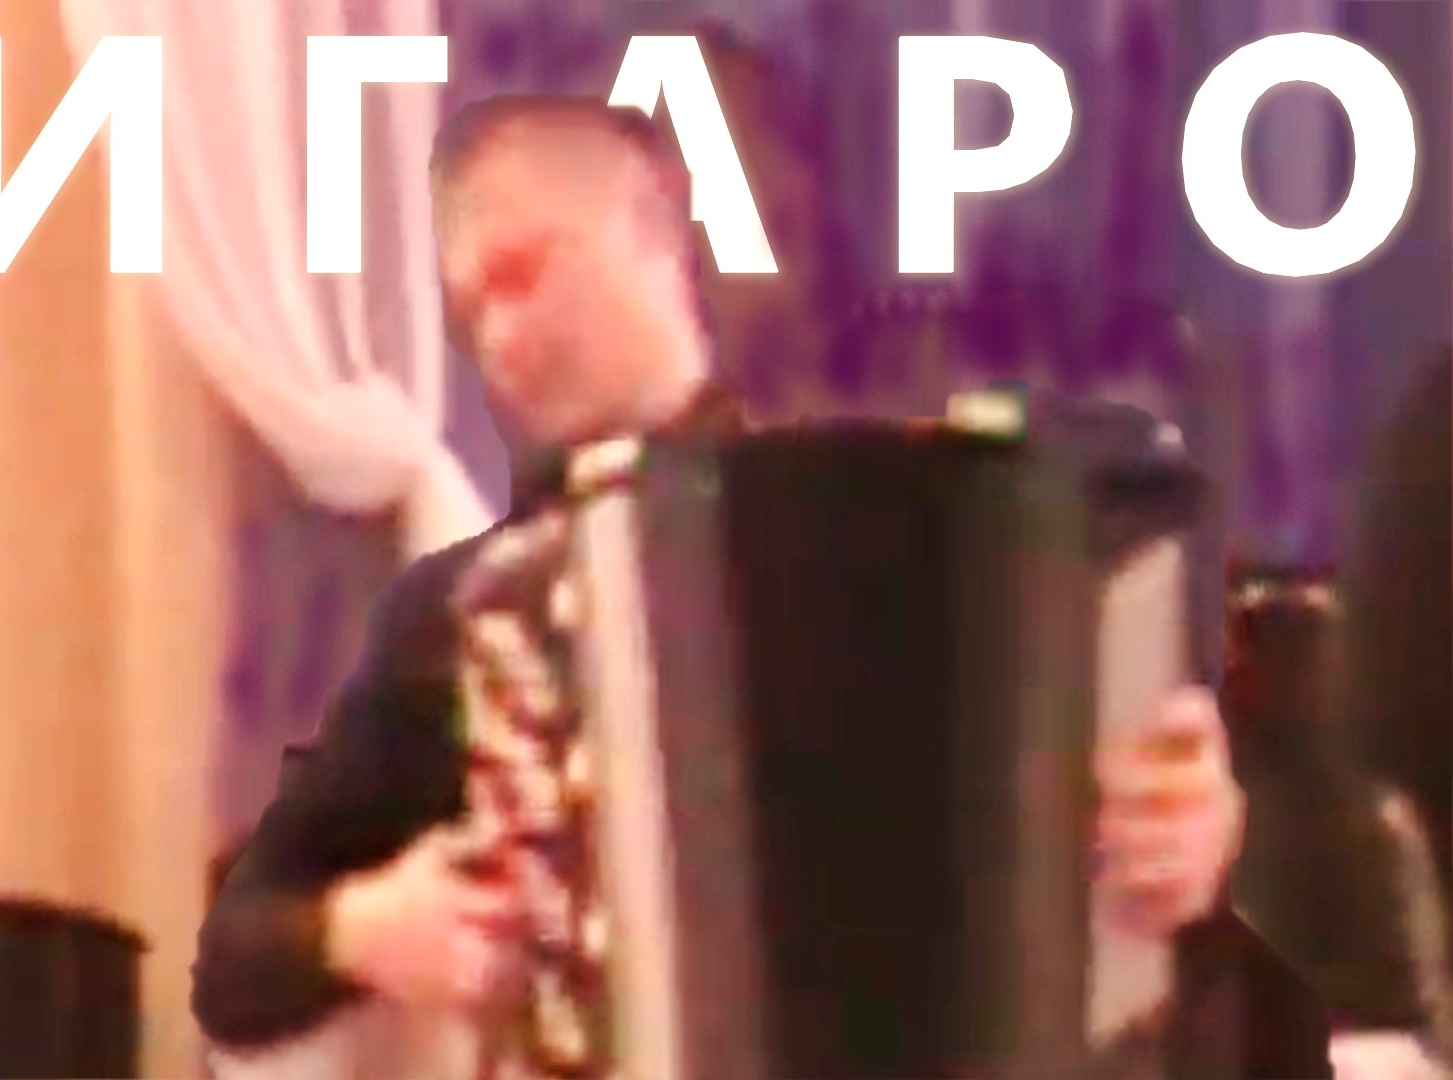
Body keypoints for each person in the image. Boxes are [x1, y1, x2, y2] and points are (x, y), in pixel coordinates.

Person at [193, 96, 1302, 1072]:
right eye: (474, 312)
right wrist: (364, 925)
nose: (503, 337)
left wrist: (1200, 837)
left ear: (655, 235)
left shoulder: (946, 506)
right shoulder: (471, 616)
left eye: (525, 273)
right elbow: (233, 955)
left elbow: (1254, 910)